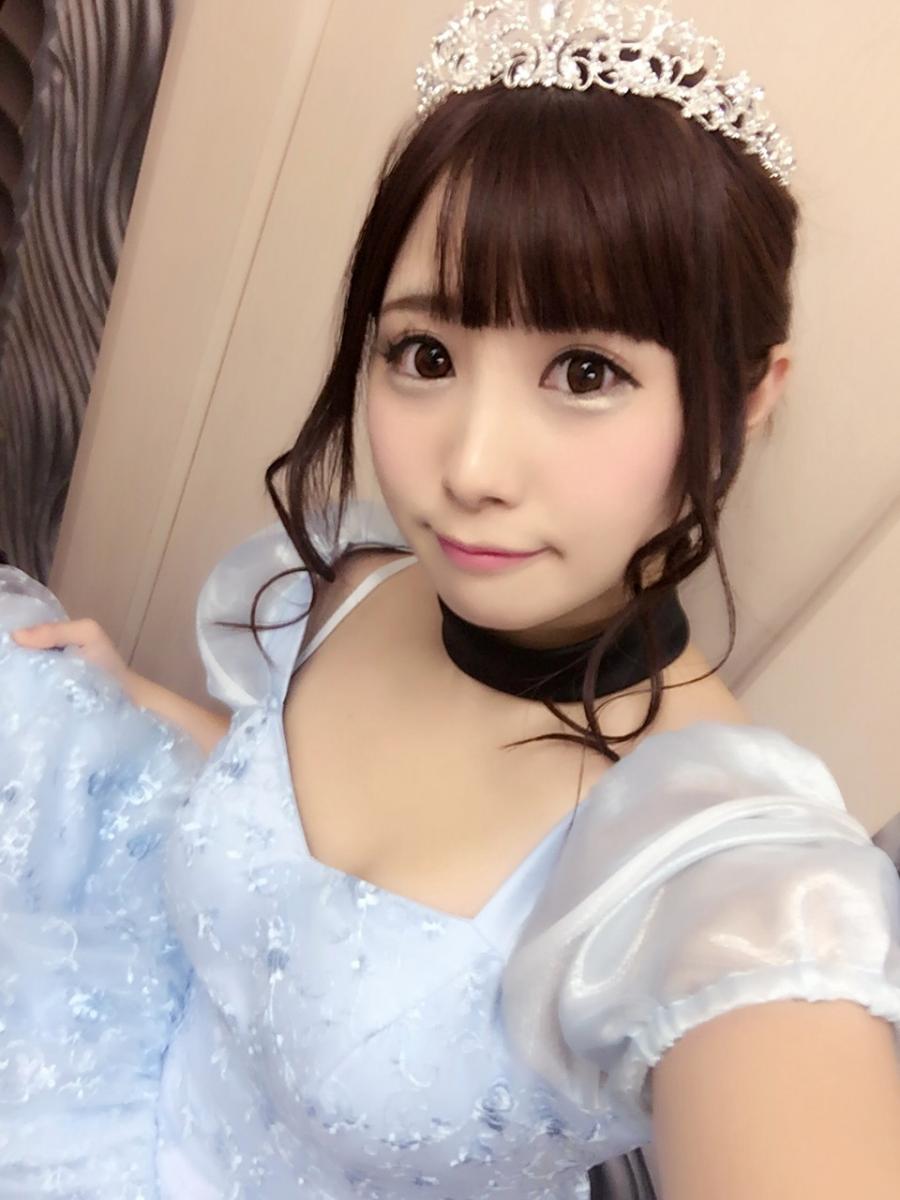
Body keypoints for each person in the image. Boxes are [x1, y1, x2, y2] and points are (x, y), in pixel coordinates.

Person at [2, 2, 899, 1197]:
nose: (469, 468)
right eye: (425, 355)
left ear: (745, 398)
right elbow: (300, 843)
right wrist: (143, 707)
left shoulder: (725, 871)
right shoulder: (358, 585)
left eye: (586, 372)